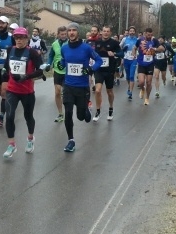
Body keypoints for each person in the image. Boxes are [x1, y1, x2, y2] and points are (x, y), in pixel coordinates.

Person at [2, 27, 45, 158]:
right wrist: (5, 78)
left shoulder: (32, 53)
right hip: (12, 90)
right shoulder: (10, 50)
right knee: (9, 116)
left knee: (28, 116)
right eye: (16, 38)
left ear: (27, 39)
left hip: (27, 91)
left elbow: (40, 70)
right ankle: (11, 145)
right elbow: (6, 67)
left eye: (21, 38)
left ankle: (30, 138)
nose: (19, 40)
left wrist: (25, 77)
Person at [59, 23, 102, 152]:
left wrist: (91, 69)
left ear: (78, 32)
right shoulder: (64, 48)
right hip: (68, 86)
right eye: (69, 30)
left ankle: (86, 110)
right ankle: (71, 140)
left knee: (81, 117)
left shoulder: (86, 48)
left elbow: (99, 60)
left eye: (74, 30)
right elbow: (63, 60)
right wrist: (61, 64)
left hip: (82, 87)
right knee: (68, 113)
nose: (71, 33)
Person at [90, 25, 123, 121]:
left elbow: (122, 54)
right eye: (104, 31)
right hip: (99, 70)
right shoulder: (97, 42)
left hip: (109, 70)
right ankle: (98, 111)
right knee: (97, 90)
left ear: (110, 33)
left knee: (109, 91)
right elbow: (91, 53)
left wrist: (115, 53)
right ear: (101, 32)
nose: (106, 33)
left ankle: (111, 108)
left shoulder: (114, 43)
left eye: (108, 31)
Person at [45, 25, 68, 122]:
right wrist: (48, 64)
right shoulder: (54, 44)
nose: (64, 36)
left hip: (67, 72)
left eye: (65, 34)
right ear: (58, 35)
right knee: (57, 92)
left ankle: (68, 112)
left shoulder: (69, 43)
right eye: (62, 34)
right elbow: (51, 56)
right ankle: (60, 114)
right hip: (58, 71)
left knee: (66, 94)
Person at [135, 27, 158, 105]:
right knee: (141, 82)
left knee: (148, 82)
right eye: (148, 35)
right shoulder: (140, 40)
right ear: (145, 34)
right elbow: (134, 48)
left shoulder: (154, 40)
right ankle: (142, 89)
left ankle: (147, 98)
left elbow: (161, 48)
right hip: (141, 63)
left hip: (150, 64)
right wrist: (134, 54)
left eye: (151, 35)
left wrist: (156, 49)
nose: (150, 36)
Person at [120, 26, 139, 101]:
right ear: (128, 32)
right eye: (130, 31)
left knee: (131, 76)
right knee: (128, 76)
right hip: (126, 59)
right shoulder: (125, 39)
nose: (132, 32)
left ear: (135, 32)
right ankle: (129, 86)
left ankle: (130, 92)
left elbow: (139, 49)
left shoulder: (137, 40)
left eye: (133, 31)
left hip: (133, 59)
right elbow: (119, 47)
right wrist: (123, 48)